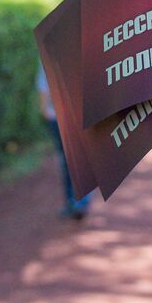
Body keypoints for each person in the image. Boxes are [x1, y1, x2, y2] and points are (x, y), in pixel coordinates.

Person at [37, 62, 91, 219]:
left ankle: (75, 201)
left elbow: (42, 84)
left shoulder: (48, 50)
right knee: (77, 158)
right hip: (75, 113)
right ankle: (77, 202)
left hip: (61, 114)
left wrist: (44, 108)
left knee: (67, 159)